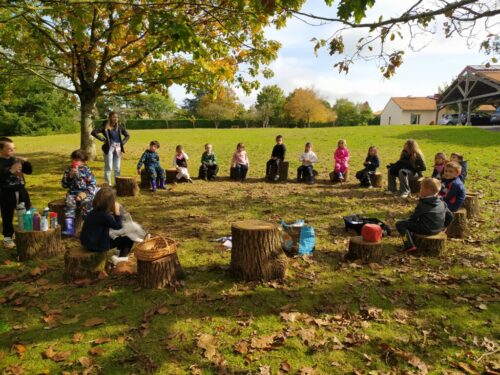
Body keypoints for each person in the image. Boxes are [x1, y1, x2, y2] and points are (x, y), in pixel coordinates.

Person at [396, 177, 453, 252]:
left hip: (426, 230)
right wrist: (444, 226)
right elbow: (450, 216)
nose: (420, 190)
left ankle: (409, 245)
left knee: (400, 224)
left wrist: (406, 222)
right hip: (438, 229)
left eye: (421, 189)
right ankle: (411, 239)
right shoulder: (442, 202)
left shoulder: (423, 204)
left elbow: (413, 218)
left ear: (427, 191)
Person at [80, 188, 135, 265]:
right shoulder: (105, 216)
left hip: (87, 243)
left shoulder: (92, 212)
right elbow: (118, 227)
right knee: (129, 238)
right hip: (98, 246)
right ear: (110, 203)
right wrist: (117, 213)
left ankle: (118, 253)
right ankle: (121, 259)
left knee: (115, 236)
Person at [0, 137, 32, 249]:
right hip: (5, 193)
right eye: (9, 149)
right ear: (1, 150)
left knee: (26, 212)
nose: (13, 151)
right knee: (7, 215)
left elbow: (29, 171)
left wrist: (26, 162)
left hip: (21, 190)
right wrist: (10, 171)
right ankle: (8, 237)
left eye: (13, 148)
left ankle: (26, 233)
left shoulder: (14, 160)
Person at [61, 150, 97, 236]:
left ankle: (89, 228)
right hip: (73, 193)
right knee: (69, 204)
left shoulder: (87, 170)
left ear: (84, 161)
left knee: (86, 205)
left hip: (85, 193)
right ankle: (70, 228)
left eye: (77, 160)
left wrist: (83, 194)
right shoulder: (68, 170)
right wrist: (69, 177)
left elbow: (92, 184)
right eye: (73, 159)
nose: (74, 162)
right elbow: (64, 185)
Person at [91, 111, 130, 185]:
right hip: (109, 148)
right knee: (109, 167)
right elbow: (93, 132)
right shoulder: (104, 125)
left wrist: (122, 143)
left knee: (117, 167)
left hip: (118, 148)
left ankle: (117, 183)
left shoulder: (120, 126)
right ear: (110, 118)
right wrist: (102, 139)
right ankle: (108, 184)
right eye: (114, 117)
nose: (115, 119)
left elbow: (127, 135)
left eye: (117, 117)